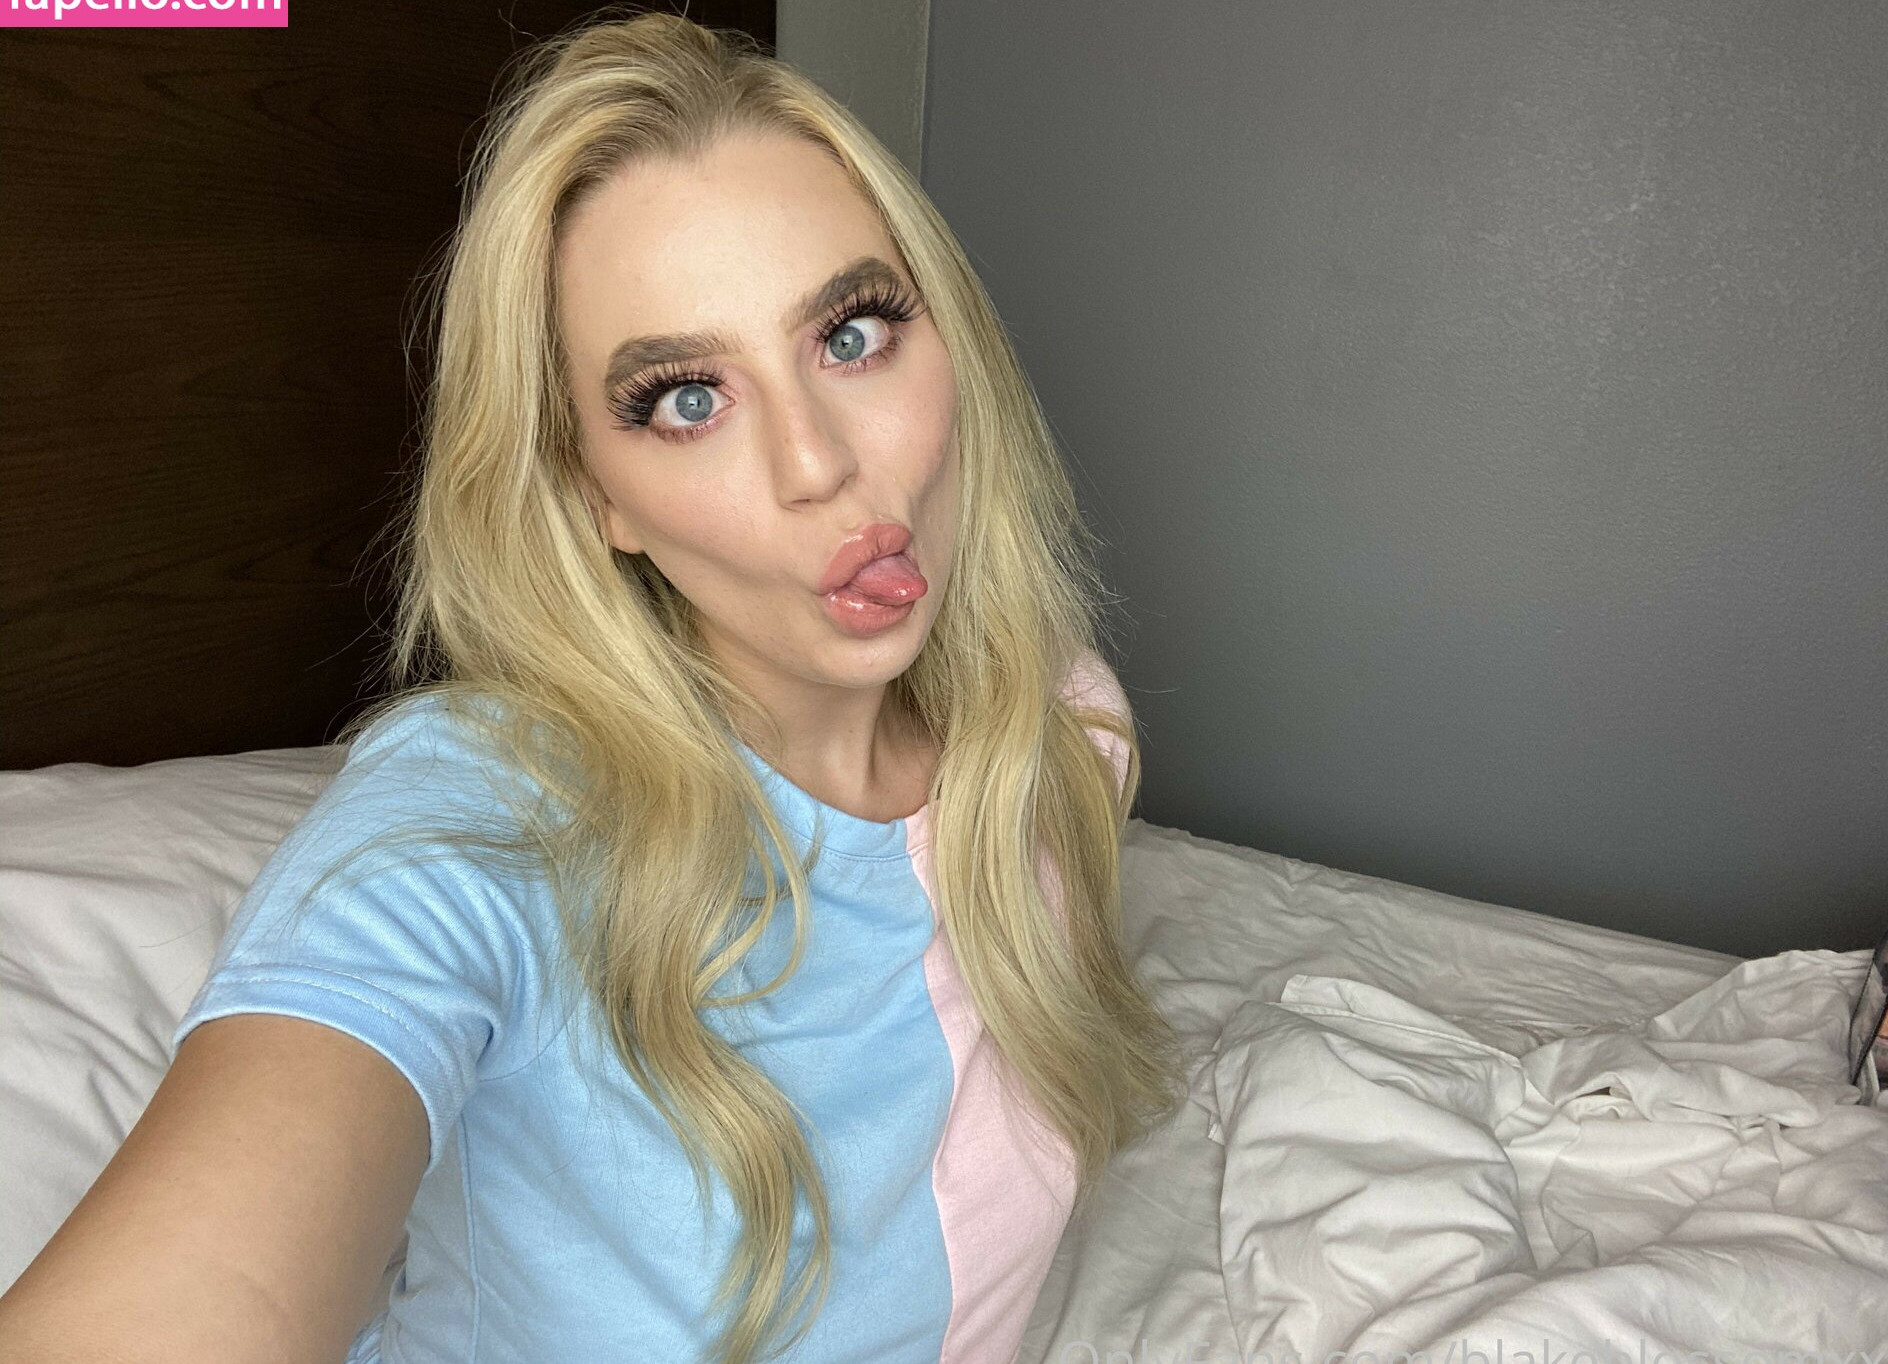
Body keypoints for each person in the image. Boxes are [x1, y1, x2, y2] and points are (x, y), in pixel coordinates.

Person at [0, 11, 1185, 1364]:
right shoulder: (485, 815)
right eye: (686, 400)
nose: (819, 465)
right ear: (593, 495)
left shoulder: (1066, 734)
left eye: (852, 333)